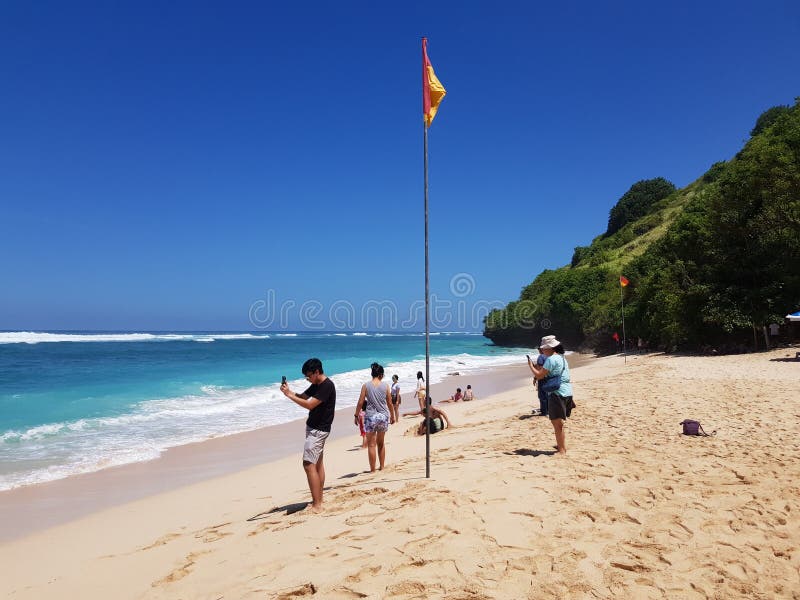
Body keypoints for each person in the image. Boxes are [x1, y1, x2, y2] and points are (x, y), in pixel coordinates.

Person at [280, 357, 336, 512]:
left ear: (317, 372)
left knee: (308, 464)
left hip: (319, 430)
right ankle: (318, 499)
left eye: (309, 376)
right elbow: (304, 397)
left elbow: (310, 405)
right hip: (315, 428)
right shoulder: (316, 384)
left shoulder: (327, 386)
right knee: (317, 464)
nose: (308, 379)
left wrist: (290, 396)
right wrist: (289, 392)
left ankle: (317, 505)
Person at [527, 335, 573, 455]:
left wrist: (531, 366)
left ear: (551, 348)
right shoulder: (562, 358)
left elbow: (539, 375)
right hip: (567, 391)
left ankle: (562, 449)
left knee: (557, 423)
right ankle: (560, 445)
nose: (542, 350)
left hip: (557, 393)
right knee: (559, 422)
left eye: (543, 348)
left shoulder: (551, 360)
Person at [353, 362, 393, 472]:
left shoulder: (366, 386)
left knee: (371, 445)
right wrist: (392, 416)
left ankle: (372, 470)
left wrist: (356, 415)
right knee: (381, 443)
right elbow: (389, 403)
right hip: (383, 416)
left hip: (370, 416)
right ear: (381, 375)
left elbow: (361, 402)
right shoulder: (386, 386)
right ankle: (382, 467)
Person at [528, 347, 548, 416]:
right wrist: (534, 365)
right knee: (547, 394)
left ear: (541, 349)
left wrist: (535, 378)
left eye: (539, 349)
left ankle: (544, 412)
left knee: (542, 396)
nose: (538, 351)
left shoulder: (541, 357)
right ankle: (547, 410)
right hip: (549, 377)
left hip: (542, 378)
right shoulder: (549, 356)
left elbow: (540, 370)